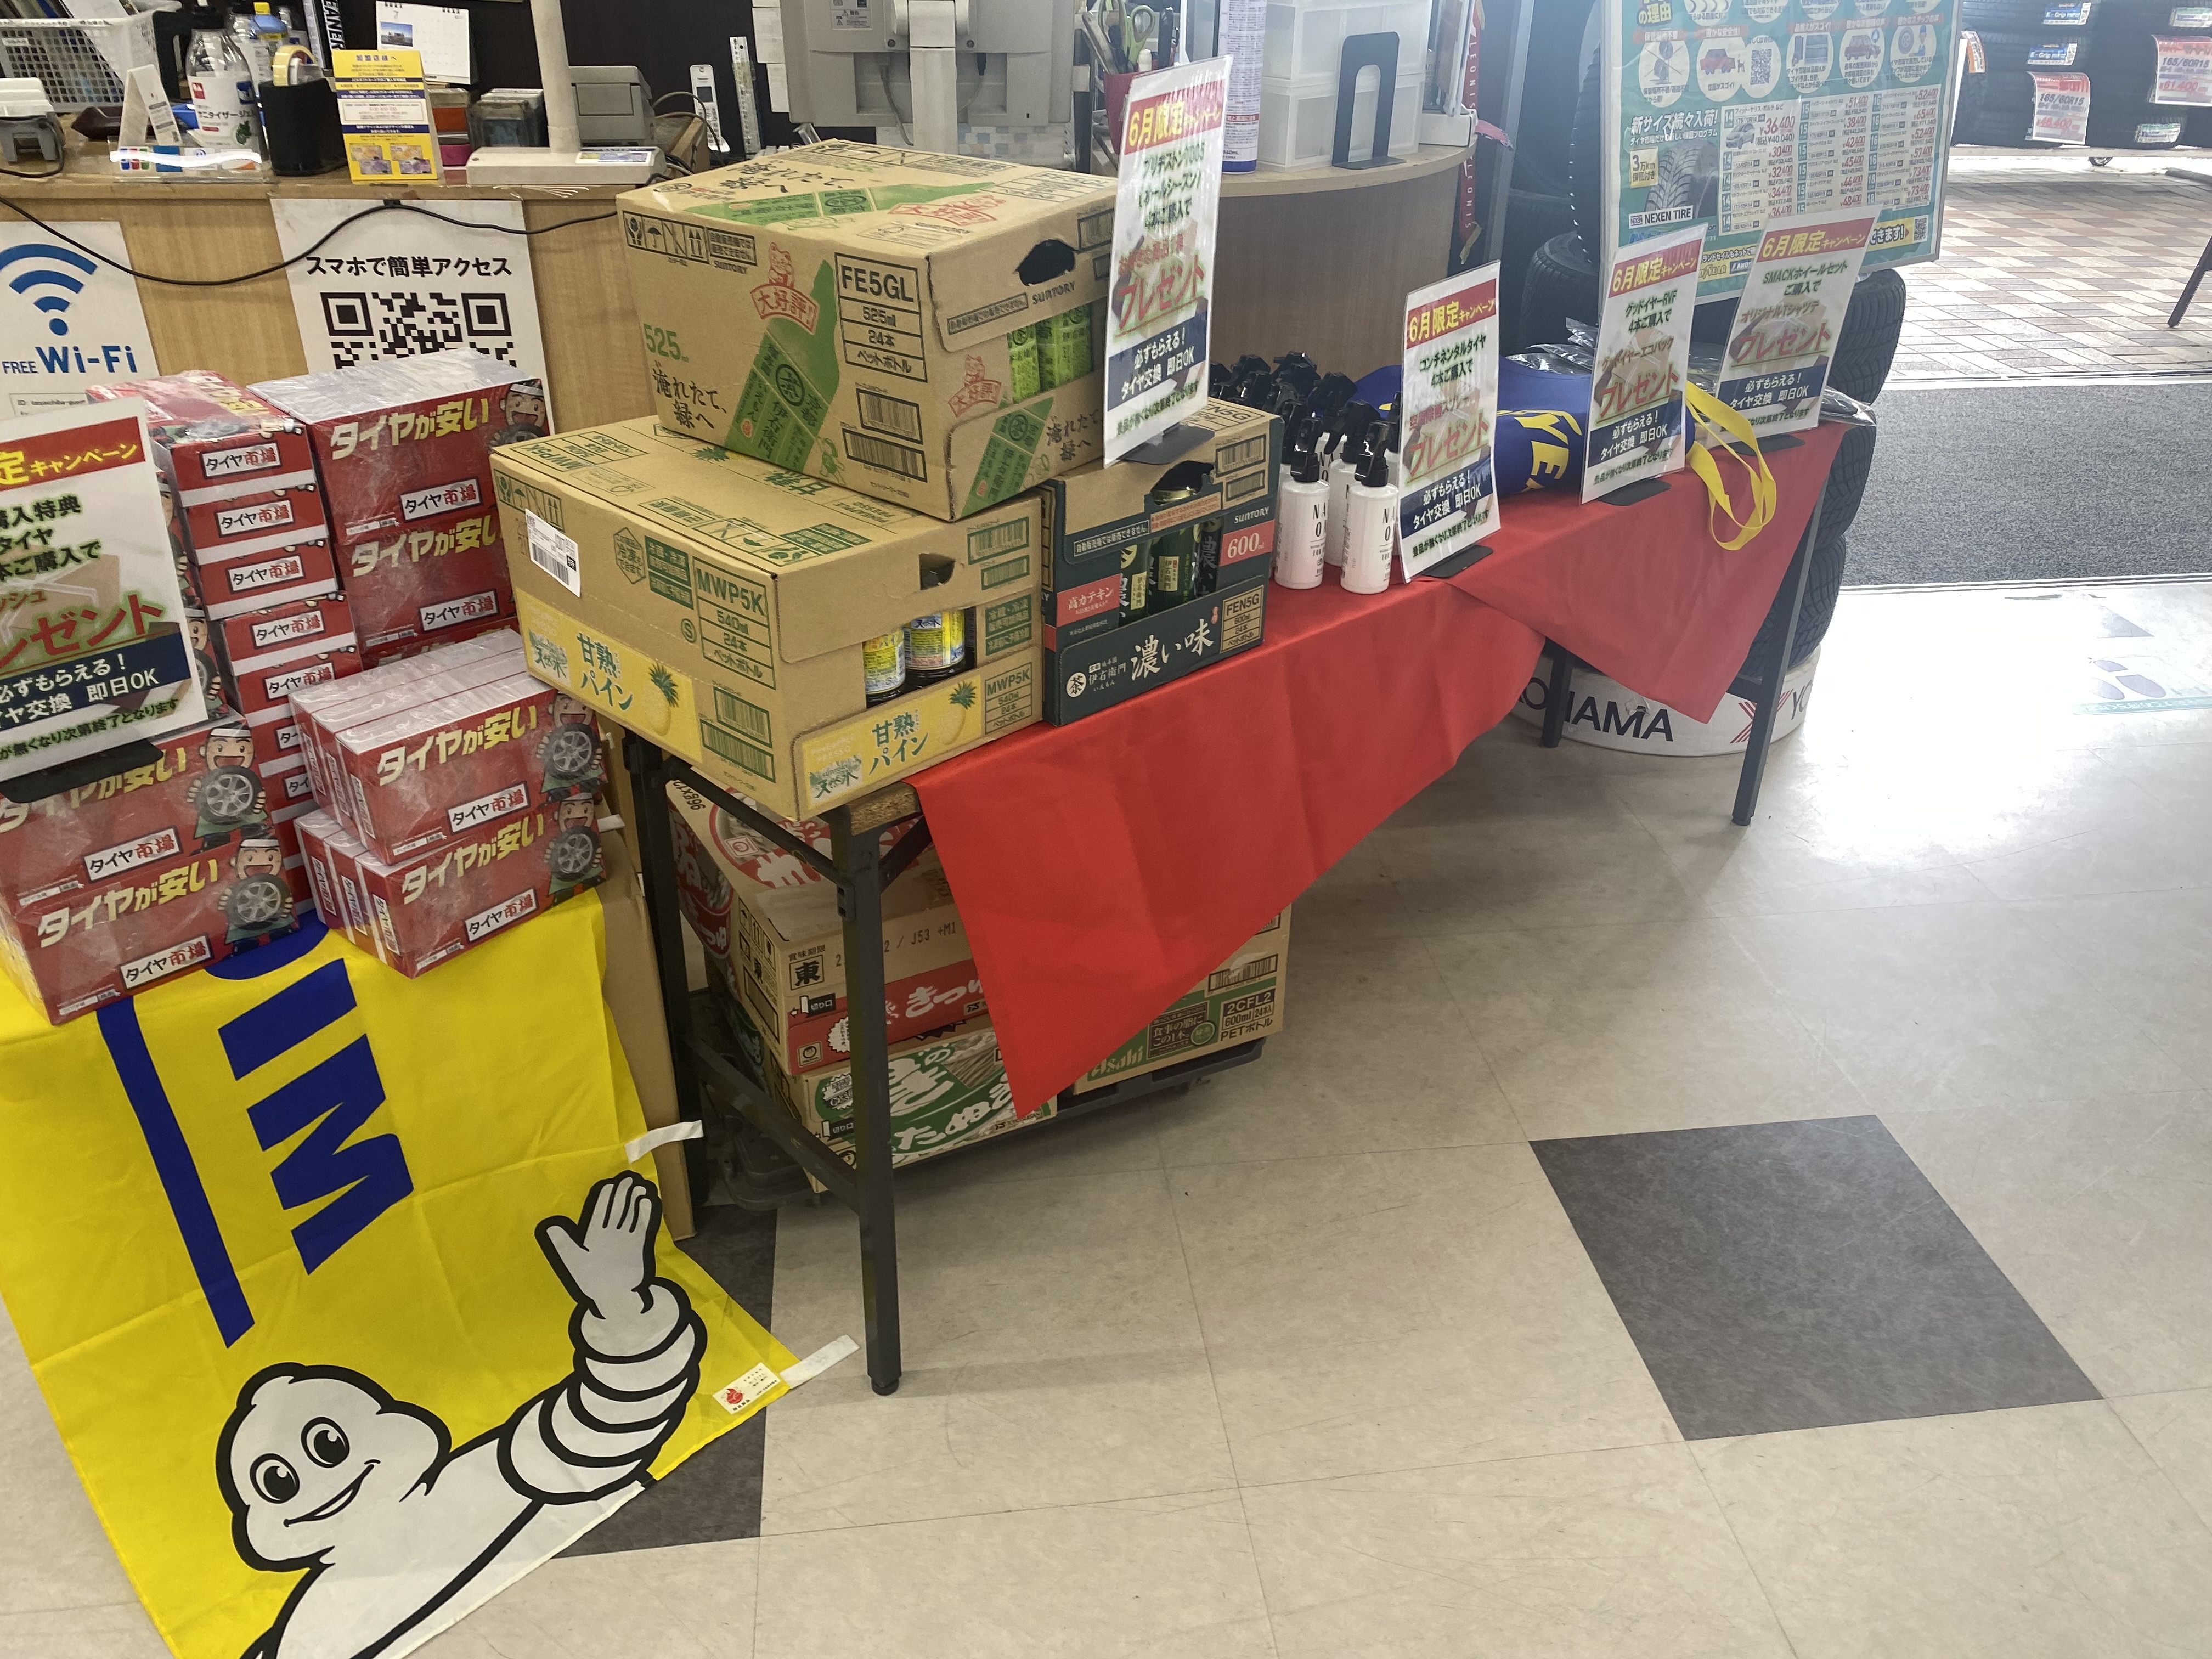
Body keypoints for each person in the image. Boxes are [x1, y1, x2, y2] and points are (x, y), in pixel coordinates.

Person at [218, 1175, 704, 1659]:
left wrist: (620, 1307)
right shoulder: (304, 1630)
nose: (321, 1482)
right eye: (278, 1483)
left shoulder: (495, 1473)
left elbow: (607, 1419)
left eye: (328, 1445)